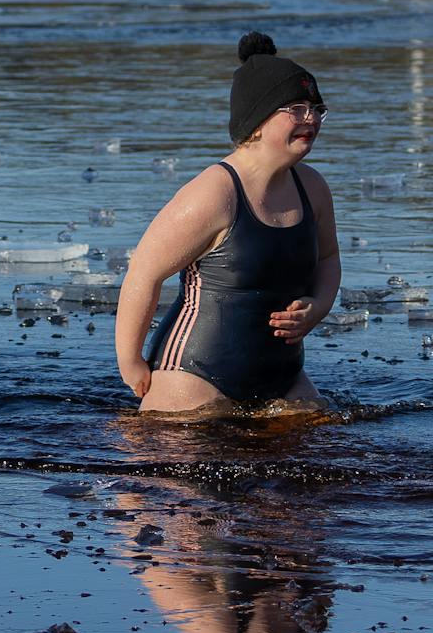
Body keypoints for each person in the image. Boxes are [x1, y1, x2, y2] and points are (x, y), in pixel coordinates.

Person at [115, 33, 340, 413]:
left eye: (317, 108)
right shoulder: (214, 194)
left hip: (283, 377)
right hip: (194, 375)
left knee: (329, 445)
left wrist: (317, 306)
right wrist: (130, 360)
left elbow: (329, 258)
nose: (311, 118)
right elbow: (143, 272)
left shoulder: (313, 188)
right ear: (256, 120)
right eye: (296, 108)